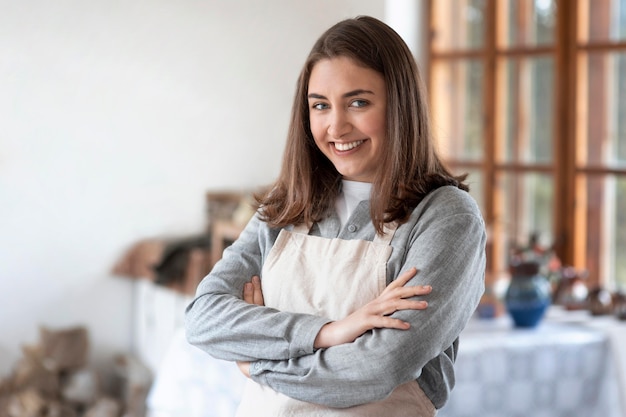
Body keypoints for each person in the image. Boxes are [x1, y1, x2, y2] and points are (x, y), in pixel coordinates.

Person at [185, 15, 486, 416]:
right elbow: (204, 318)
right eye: (320, 106)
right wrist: (329, 333)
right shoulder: (286, 204)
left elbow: (380, 366)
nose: (336, 126)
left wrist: (258, 361)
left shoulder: (446, 217)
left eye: (358, 102)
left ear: (401, 105)